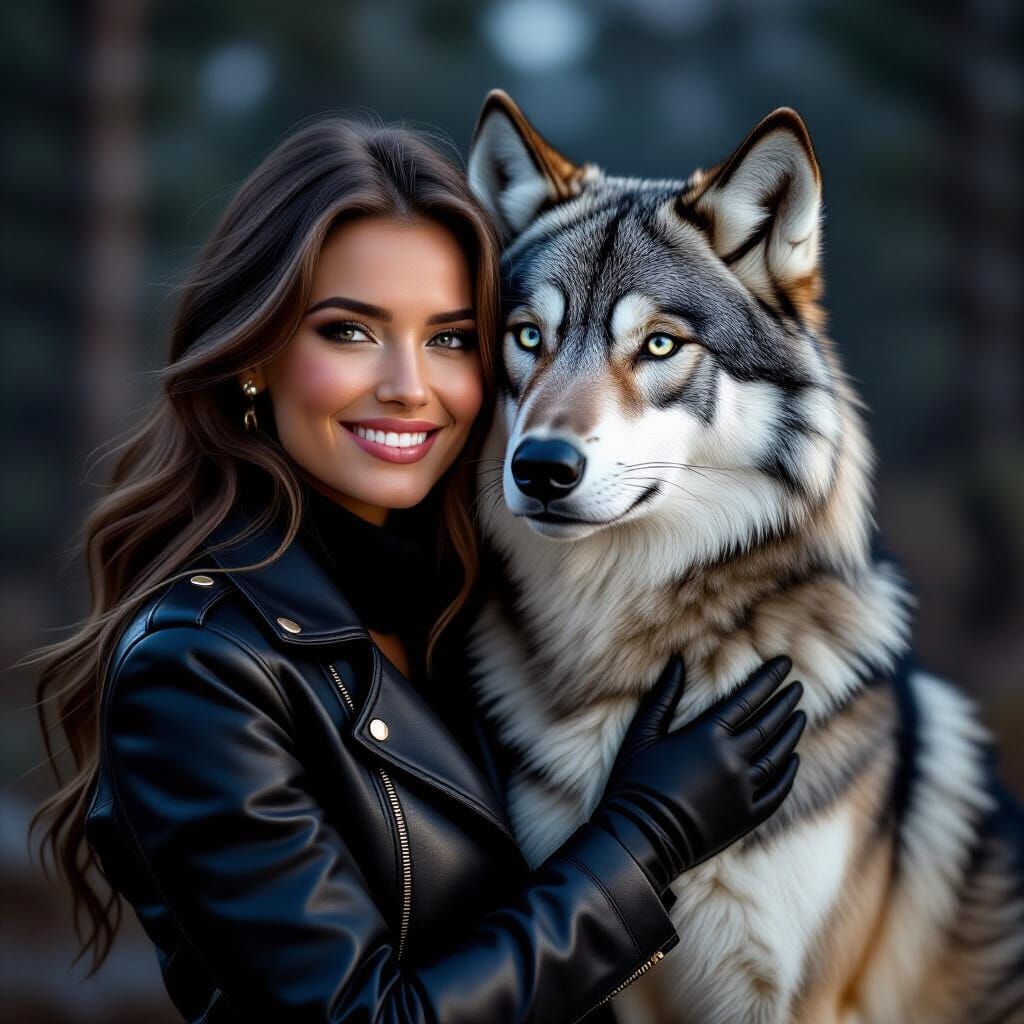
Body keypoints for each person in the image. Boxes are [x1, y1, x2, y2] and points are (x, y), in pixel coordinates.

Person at [30, 115, 806, 1023]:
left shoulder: (472, 600)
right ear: (255, 354)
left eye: (448, 338)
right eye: (351, 332)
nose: (410, 385)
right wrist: (644, 841)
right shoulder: (198, 672)